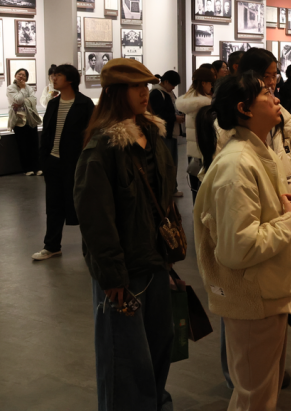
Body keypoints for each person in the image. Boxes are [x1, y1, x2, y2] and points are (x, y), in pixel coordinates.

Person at [194, 71, 291, 411]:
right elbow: (238, 247)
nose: (276, 98)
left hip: (266, 293)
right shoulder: (237, 164)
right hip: (253, 299)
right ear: (244, 109)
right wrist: (290, 221)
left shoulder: (255, 153)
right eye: (267, 93)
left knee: (260, 394)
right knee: (255, 398)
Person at [74, 58, 177, 411]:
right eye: (136, 86)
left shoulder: (152, 135)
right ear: (117, 92)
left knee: (159, 348)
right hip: (125, 271)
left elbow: (164, 199)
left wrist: (169, 257)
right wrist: (112, 274)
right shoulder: (102, 147)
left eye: (146, 85)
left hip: (156, 262)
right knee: (124, 359)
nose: (144, 93)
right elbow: (95, 218)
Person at [32, 64, 94, 261]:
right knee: (53, 205)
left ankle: (92, 247)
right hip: (54, 162)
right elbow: (47, 133)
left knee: (82, 206)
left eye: (58, 75)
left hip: (76, 164)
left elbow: (91, 135)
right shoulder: (53, 103)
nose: (54, 78)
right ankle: (52, 246)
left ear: (70, 80)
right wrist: (44, 159)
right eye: (54, 75)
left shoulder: (85, 104)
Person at [175, 66, 215, 203]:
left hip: (192, 152)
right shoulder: (205, 104)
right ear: (203, 83)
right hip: (205, 150)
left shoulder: (188, 101)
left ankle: (196, 213)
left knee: (195, 188)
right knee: (206, 189)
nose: (211, 86)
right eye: (210, 83)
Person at [150, 71, 185, 197]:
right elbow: (158, 114)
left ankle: (171, 188)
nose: (174, 87)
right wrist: (175, 118)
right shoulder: (156, 93)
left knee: (172, 162)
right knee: (166, 162)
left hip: (171, 133)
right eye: (173, 84)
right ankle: (167, 190)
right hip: (163, 134)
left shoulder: (167, 92)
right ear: (165, 82)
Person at [7, 68, 41, 176]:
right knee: (23, 146)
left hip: (30, 119)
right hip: (19, 120)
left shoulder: (29, 88)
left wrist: (22, 102)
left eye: (24, 75)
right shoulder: (10, 88)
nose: (21, 76)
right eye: (19, 74)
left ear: (26, 78)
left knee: (34, 144)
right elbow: (17, 100)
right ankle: (27, 169)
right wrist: (22, 89)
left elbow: (34, 101)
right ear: (15, 75)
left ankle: (37, 167)